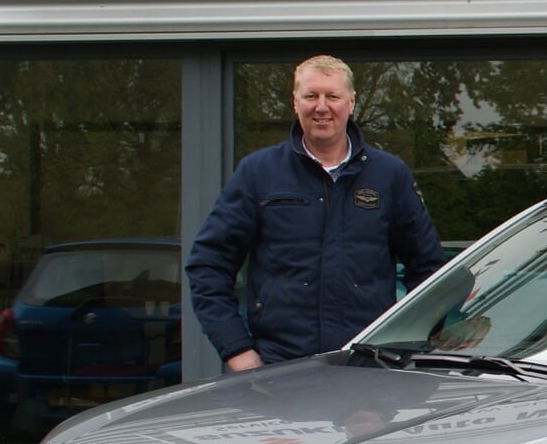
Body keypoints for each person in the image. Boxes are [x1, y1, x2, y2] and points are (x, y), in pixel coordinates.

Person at [187, 55, 445, 370]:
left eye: (332, 96)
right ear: (295, 102)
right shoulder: (259, 172)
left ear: (351, 103)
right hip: (278, 368)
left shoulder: (389, 175)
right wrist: (236, 349)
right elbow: (208, 265)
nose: (321, 107)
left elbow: (429, 272)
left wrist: (413, 345)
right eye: (311, 96)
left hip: (369, 372)